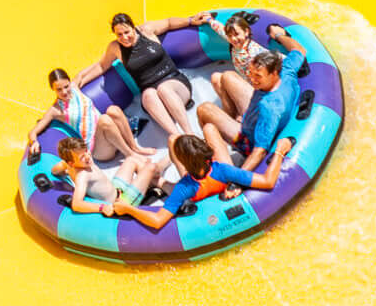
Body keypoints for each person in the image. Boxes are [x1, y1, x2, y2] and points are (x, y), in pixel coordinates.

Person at [201, 17, 308, 171]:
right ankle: (233, 120)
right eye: (251, 74)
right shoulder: (287, 69)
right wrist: (279, 35)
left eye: (257, 76)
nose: (252, 79)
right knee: (227, 76)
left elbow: (259, 151)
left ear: (273, 73)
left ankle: (224, 169)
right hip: (253, 116)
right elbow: (299, 50)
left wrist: (238, 179)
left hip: (248, 140)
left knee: (205, 112)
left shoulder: (269, 108)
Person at [95, 13, 202, 148]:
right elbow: (101, 66)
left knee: (164, 89)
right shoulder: (115, 47)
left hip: (175, 84)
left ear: (133, 27)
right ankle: (178, 139)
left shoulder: (146, 30)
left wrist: (190, 21)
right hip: (154, 99)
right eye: (119, 34)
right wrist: (78, 80)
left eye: (127, 32)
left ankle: (190, 134)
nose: (124, 37)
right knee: (148, 94)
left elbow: (169, 22)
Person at [25, 67, 140, 168]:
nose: (64, 92)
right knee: (104, 120)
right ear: (52, 89)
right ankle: (130, 155)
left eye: (66, 86)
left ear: (69, 82)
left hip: (112, 134)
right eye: (59, 89)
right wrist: (34, 142)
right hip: (98, 148)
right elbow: (33, 132)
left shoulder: (75, 87)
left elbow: (97, 66)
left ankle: (134, 147)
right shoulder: (55, 110)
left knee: (113, 110)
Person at [120, 133, 236, 232]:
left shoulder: (183, 188)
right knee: (178, 138)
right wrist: (236, 186)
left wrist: (128, 209)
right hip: (207, 185)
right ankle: (158, 167)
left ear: (183, 163)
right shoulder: (223, 169)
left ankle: (157, 169)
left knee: (172, 141)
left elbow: (158, 221)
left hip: (193, 194)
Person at [47, 133, 131, 215]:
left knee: (131, 160)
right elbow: (76, 204)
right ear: (71, 163)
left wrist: (66, 169)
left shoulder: (79, 162)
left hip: (116, 189)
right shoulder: (82, 176)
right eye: (82, 157)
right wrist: (102, 208)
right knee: (137, 163)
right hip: (119, 202)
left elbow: (54, 170)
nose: (87, 156)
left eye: (86, 151)